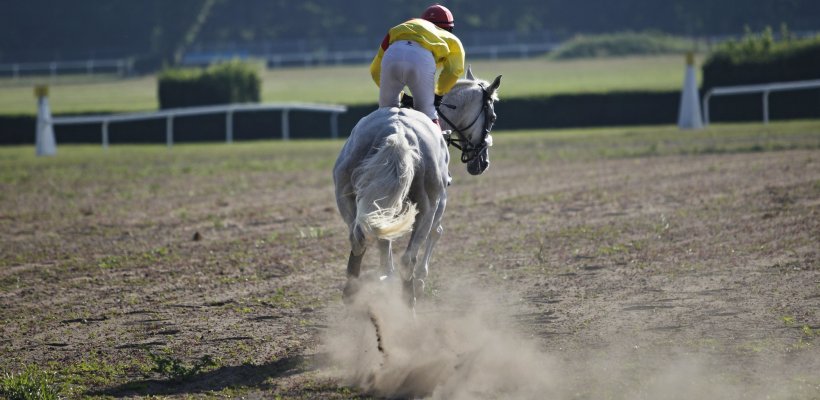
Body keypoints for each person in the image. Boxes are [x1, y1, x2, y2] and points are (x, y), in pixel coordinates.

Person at [369, 4, 465, 131]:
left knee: (385, 113)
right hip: (421, 58)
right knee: (428, 115)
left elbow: (375, 70)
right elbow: (454, 71)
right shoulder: (451, 38)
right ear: (449, 29)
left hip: (392, 53)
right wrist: (438, 94)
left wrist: (402, 96)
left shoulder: (402, 27)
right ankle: (440, 149)